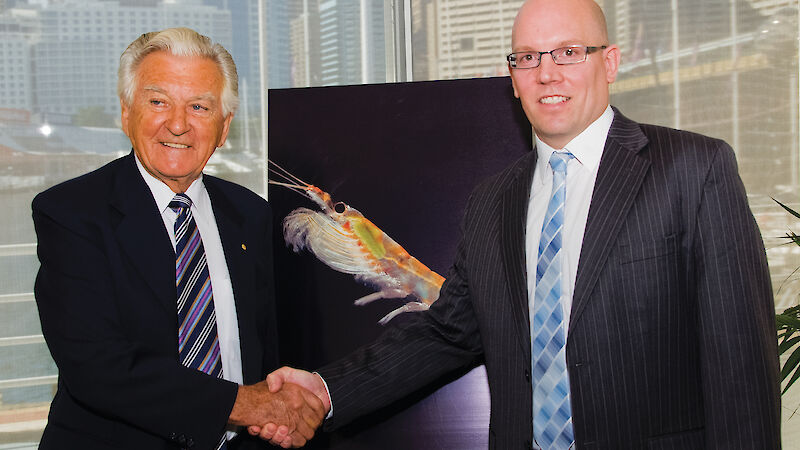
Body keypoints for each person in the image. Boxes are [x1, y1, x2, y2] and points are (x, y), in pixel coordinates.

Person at [261, 0, 782, 448]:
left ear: (611, 63)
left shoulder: (694, 168)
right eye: (528, 58)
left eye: (569, 52)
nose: (547, 74)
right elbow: (447, 332)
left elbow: (740, 367)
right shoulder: (493, 201)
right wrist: (325, 391)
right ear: (513, 78)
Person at [32, 28, 323, 449]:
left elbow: (265, 351)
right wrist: (247, 406)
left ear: (224, 128)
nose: (178, 124)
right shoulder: (71, 212)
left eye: (199, 107)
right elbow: (98, 367)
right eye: (158, 102)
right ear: (126, 112)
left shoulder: (251, 213)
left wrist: (281, 411)